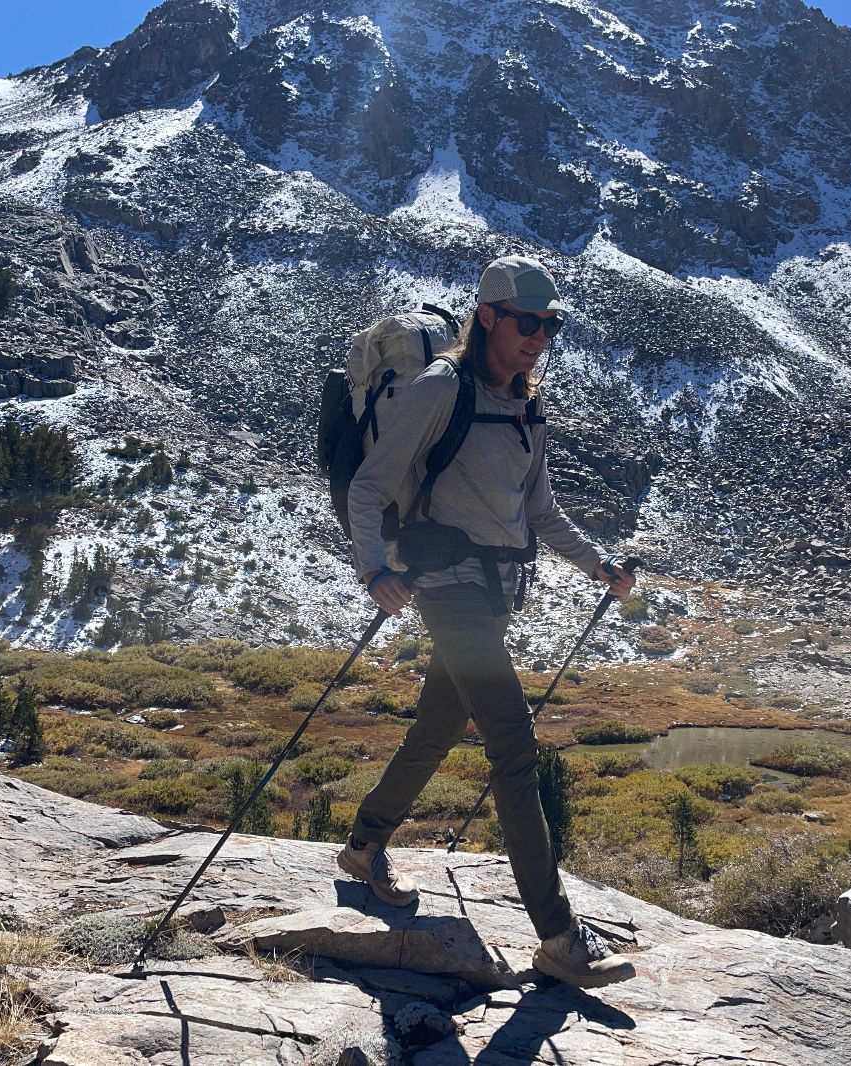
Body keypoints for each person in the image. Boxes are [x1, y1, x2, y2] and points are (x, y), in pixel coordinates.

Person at [337, 254, 638, 989]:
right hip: (445, 586)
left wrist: (599, 565)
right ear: (489, 318)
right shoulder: (444, 387)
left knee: (437, 728)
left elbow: (539, 510)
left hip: (497, 592)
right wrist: (374, 569)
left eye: (552, 326)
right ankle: (559, 936)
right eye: (528, 323)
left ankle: (364, 844)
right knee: (513, 745)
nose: (540, 337)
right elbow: (372, 483)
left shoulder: (525, 401)